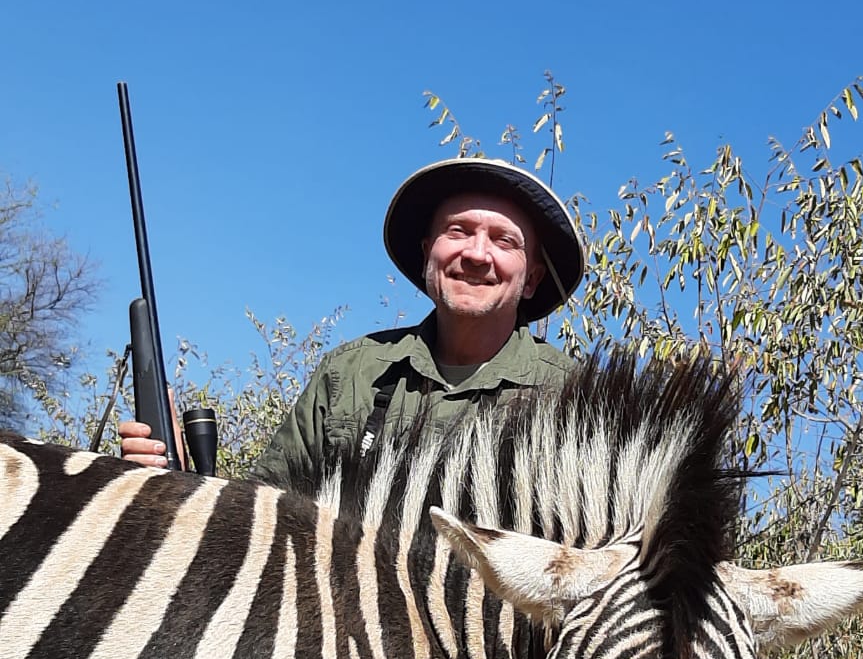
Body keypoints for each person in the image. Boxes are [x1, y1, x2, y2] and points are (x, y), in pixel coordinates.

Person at [120, 159, 585, 489]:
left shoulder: (575, 395)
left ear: (531, 280)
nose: (477, 254)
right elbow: (265, 511)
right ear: (428, 255)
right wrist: (179, 484)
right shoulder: (351, 372)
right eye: (458, 231)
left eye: (504, 241)